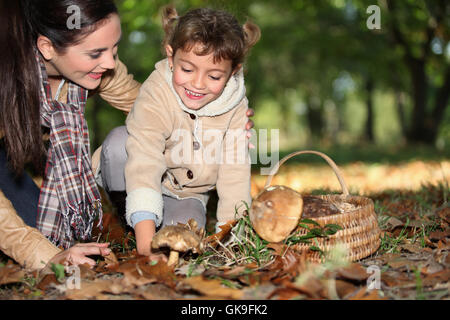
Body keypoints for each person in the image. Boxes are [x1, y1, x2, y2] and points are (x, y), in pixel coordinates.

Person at [0, 0, 254, 270]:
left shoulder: (102, 68)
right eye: (96, 52)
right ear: (47, 48)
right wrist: (43, 256)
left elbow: (146, 110)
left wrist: (214, 121)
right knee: (36, 246)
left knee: (52, 234)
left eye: (114, 48)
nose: (110, 62)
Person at [99, 6, 260, 257]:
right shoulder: (157, 89)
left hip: (188, 193)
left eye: (215, 76)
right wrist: (145, 246)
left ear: (233, 72)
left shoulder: (236, 107)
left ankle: (163, 221)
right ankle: (137, 221)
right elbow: (144, 157)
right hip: (138, 174)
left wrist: (232, 240)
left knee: (183, 243)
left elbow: (234, 173)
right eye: (187, 70)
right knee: (120, 142)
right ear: (171, 57)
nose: (197, 84)